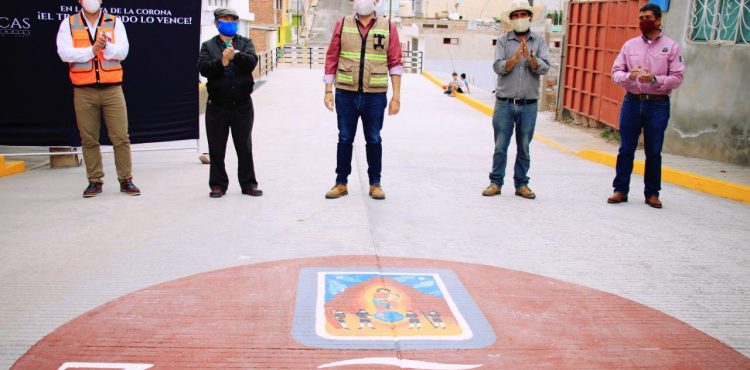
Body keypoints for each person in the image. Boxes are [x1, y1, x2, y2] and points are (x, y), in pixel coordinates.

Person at [56, 0, 139, 198]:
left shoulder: (114, 22)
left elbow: (123, 51)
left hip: (112, 89)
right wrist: (91, 50)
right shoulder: (68, 23)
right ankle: (94, 181)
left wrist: (106, 46)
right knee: (88, 138)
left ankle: (126, 180)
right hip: (83, 90)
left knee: (121, 137)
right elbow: (64, 53)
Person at [323, 0, 403, 200]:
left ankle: (375, 184)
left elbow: (395, 62)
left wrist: (397, 97)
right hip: (345, 93)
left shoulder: (388, 27)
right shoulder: (343, 23)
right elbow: (332, 56)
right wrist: (327, 89)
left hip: (375, 95)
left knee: (374, 139)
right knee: (344, 138)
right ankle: (341, 183)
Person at [607, 4, 684, 209]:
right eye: (640, 18)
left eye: (647, 17)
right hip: (632, 101)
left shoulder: (671, 47)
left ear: (658, 20)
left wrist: (656, 80)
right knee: (626, 148)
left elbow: (677, 77)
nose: (643, 21)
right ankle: (620, 190)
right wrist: (628, 76)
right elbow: (615, 72)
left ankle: (652, 193)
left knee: (654, 151)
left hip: (657, 105)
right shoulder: (630, 46)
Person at [482, 0, 549, 199]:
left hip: (528, 104)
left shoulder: (539, 41)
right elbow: (498, 67)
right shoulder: (503, 41)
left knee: (525, 146)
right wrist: (514, 58)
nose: (520, 19)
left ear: (529, 17)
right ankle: (495, 182)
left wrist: (530, 58)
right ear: (511, 19)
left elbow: (545, 67)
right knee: (501, 145)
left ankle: (521, 184)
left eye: (523, 15)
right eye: (516, 15)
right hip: (505, 103)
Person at [198, 8, 262, 198]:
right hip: (217, 105)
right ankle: (218, 185)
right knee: (217, 147)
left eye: (233, 19)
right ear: (217, 23)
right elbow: (203, 69)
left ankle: (248, 184)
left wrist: (236, 56)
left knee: (244, 146)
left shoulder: (245, 42)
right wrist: (222, 62)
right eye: (225, 19)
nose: (230, 22)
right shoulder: (208, 46)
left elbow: (252, 62)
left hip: (242, 104)